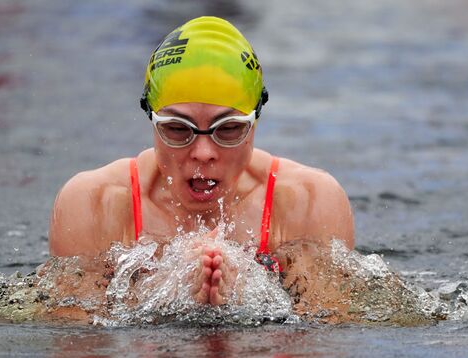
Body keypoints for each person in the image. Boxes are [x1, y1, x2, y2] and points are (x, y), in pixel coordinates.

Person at [48, 16, 354, 307]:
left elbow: (324, 333)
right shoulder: (94, 203)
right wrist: (165, 294)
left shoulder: (308, 201)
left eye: (229, 129)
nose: (203, 152)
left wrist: (246, 299)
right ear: (152, 121)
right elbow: (75, 333)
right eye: (178, 129)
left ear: (254, 123)